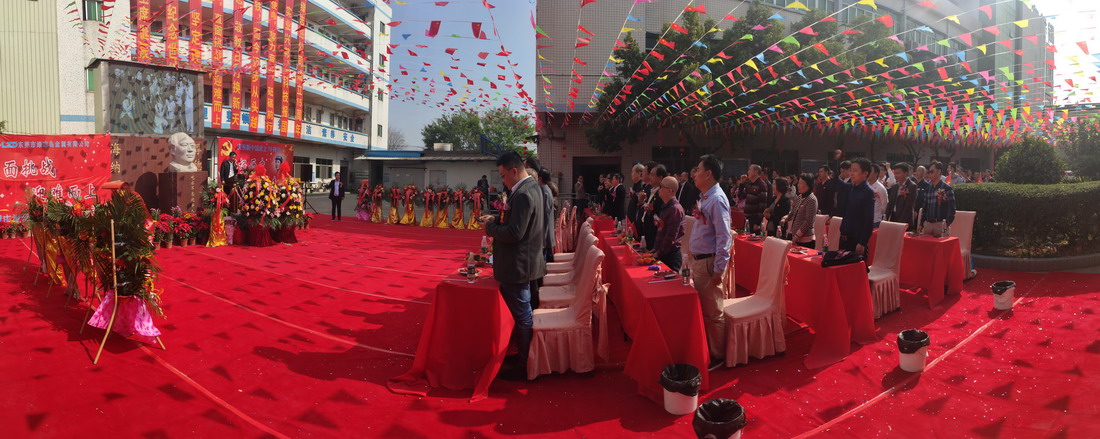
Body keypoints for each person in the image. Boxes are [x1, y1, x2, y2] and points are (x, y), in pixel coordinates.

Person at [478, 151, 545, 381]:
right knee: (524, 312)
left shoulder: (524, 194)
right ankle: (523, 357)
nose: (503, 180)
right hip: (527, 261)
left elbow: (516, 232)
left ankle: (523, 364)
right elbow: (517, 221)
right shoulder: (532, 187)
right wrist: (496, 220)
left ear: (514, 171)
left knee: (523, 315)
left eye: (503, 175)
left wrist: (490, 229)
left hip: (518, 264)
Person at [688, 154, 733, 370]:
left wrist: (719, 269)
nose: (694, 174)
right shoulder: (705, 197)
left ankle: (718, 355)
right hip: (700, 260)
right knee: (706, 310)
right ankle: (709, 349)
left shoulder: (717, 199)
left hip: (708, 262)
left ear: (708, 174)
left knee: (713, 312)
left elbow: (724, 236)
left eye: (698, 169)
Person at [832, 158, 875, 255]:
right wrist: (836, 160)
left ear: (865, 173)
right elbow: (836, 180)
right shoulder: (850, 187)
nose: (851, 173)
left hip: (857, 240)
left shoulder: (868, 192)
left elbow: (869, 220)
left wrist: (862, 242)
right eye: (851, 170)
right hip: (844, 238)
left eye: (855, 170)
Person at [653, 176, 685, 272]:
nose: (659, 189)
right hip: (664, 254)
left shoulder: (675, 209)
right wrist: (655, 250)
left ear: (670, 191)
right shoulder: (667, 207)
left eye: (661, 186)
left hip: (670, 257)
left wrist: (658, 253)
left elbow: (670, 237)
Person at [916, 161, 957, 237]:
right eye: (928, 172)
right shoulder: (928, 189)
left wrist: (946, 224)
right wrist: (921, 224)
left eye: (932, 171)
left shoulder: (947, 188)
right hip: (928, 224)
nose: (929, 174)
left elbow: (952, 209)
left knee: (942, 244)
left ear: (939, 171)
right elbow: (924, 209)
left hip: (941, 224)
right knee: (927, 244)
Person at [784, 173, 818, 248]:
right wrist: (786, 217)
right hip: (795, 237)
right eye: (798, 183)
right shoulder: (799, 197)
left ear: (809, 185)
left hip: (806, 240)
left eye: (801, 183)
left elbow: (808, 222)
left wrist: (796, 236)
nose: (798, 185)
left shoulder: (812, 199)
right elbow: (793, 212)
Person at [739, 164, 770, 232]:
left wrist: (757, 223)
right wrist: (742, 184)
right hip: (747, 218)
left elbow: (762, 205)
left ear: (756, 172)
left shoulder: (762, 184)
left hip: (754, 219)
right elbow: (741, 197)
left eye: (750, 170)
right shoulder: (749, 183)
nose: (748, 172)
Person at [887, 163, 918, 229]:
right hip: (893, 218)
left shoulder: (912, 186)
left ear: (906, 173)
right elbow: (890, 203)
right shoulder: (895, 186)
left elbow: (909, 206)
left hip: (905, 220)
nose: (896, 175)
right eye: (895, 173)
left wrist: (900, 223)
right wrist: (886, 218)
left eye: (898, 173)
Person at [627, 163, 646, 233]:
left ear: (639, 173)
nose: (631, 174)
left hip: (636, 220)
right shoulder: (636, 185)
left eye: (633, 172)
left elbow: (639, 203)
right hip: (632, 219)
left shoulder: (641, 186)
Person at [869, 164, 889, 228]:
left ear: (876, 174)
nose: (867, 173)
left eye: (870, 171)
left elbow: (884, 205)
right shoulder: (865, 186)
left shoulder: (880, 188)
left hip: (875, 220)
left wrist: (879, 213)